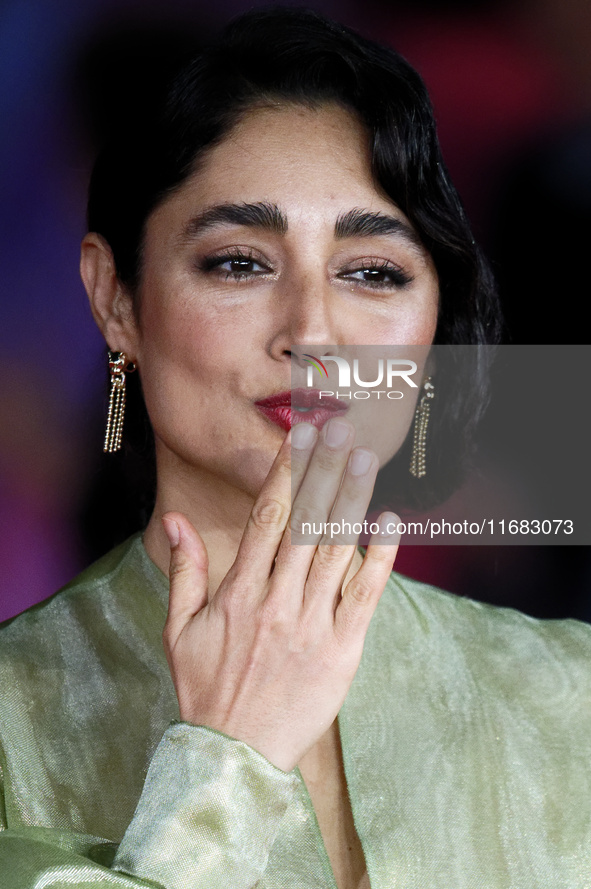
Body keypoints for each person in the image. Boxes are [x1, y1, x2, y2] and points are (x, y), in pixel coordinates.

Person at [1, 8, 590, 889]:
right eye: (239, 262)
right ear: (116, 298)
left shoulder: (567, 694)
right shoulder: (14, 717)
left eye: (372, 272)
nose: (313, 330)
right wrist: (222, 766)